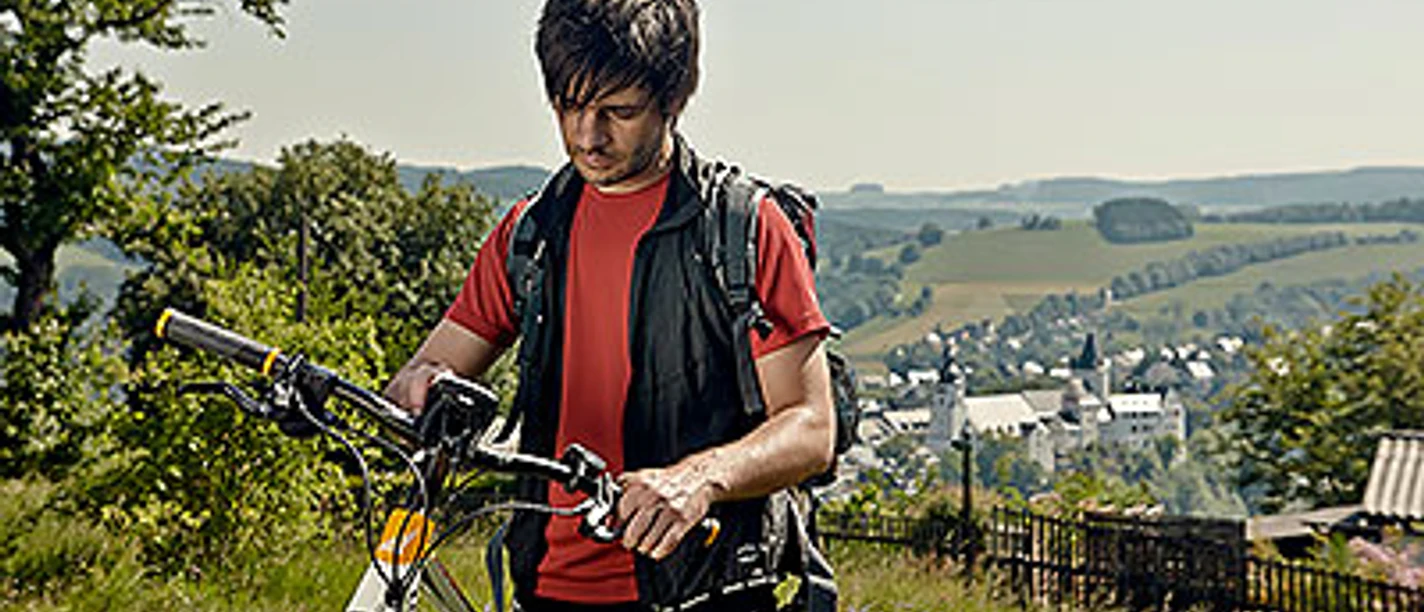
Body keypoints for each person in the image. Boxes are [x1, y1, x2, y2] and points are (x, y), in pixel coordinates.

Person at [384, 1, 835, 610]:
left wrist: (697, 478)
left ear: (671, 100)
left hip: (703, 592)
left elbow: (811, 427)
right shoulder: (531, 234)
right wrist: (420, 387)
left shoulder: (744, 229)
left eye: (618, 112)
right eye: (569, 107)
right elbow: (422, 375)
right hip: (543, 591)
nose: (587, 137)